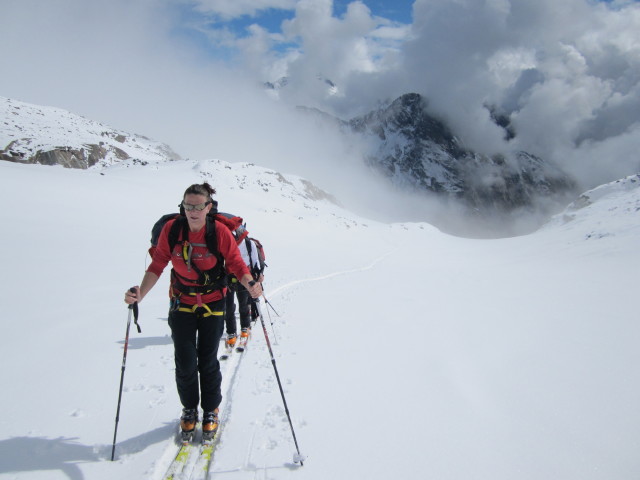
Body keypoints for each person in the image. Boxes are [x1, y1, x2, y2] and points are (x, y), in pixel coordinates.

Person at [124, 182, 262, 442]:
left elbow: (235, 263)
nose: (193, 211)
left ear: (208, 207)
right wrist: (139, 293)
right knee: (185, 362)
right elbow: (158, 264)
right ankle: (189, 408)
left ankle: (210, 410)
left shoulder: (218, 232)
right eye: (188, 206)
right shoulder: (172, 229)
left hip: (213, 303)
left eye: (198, 206)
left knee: (207, 360)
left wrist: (251, 284)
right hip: (182, 302)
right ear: (183, 206)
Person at [224, 234, 265, 347]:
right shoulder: (223, 240)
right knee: (228, 307)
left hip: (243, 277)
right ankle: (231, 332)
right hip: (227, 278)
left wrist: (258, 274)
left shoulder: (248, 243)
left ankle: (245, 328)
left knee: (244, 304)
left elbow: (255, 260)